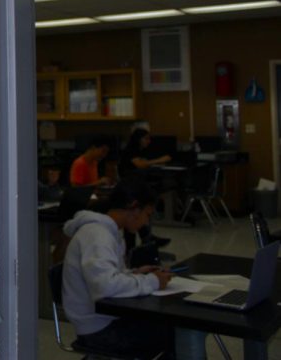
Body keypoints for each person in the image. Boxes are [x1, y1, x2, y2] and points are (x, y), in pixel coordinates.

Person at [62, 178, 206, 359]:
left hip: (104, 320)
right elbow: (104, 286)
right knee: (180, 333)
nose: (146, 222)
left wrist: (133, 274)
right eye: (147, 214)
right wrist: (152, 281)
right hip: (98, 330)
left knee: (170, 327)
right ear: (134, 208)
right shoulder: (98, 235)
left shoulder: (110, 232)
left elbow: (106, 275)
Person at [120, 127, 172, 250]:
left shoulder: (140, 151)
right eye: (146, 138)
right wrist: (159, 160)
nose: (149, 141)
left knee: (139, 214)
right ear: (139, 139)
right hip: (130, 188)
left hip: (136, 186)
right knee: (134, 214)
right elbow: (141, 164)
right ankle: (143, 240)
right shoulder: (131, 150)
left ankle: (147, 238)